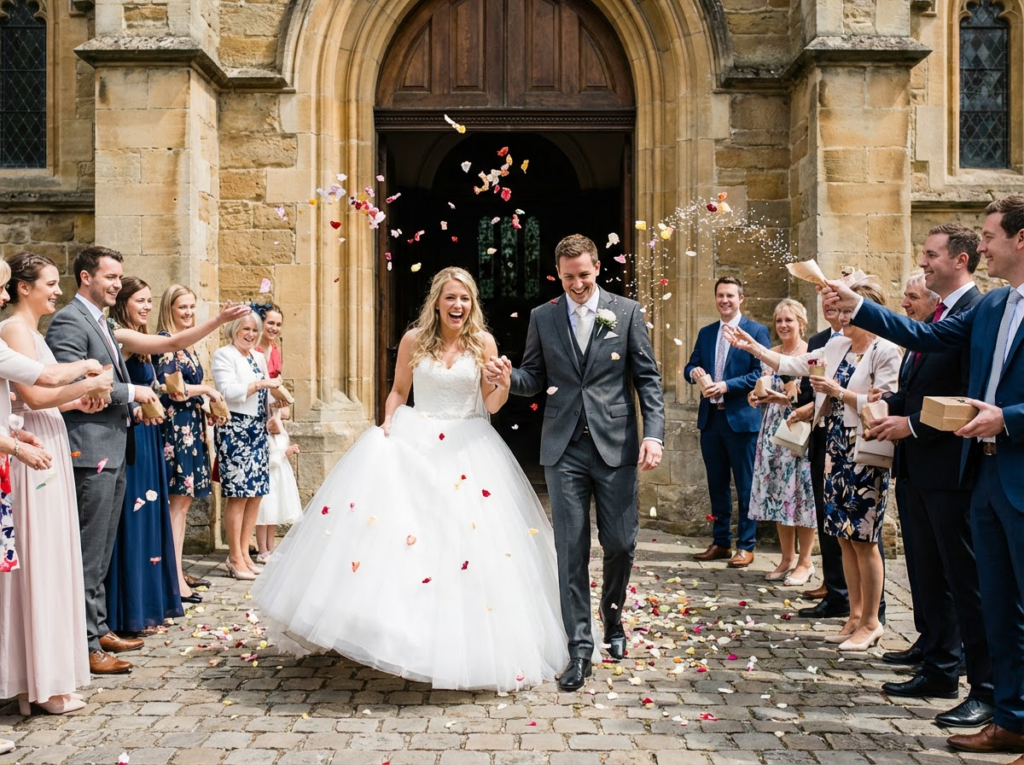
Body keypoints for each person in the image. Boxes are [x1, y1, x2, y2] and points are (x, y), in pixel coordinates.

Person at [254, 267, 569, 692]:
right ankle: (396, 636)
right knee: (404, 541)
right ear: (437, 301)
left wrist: (501, 381)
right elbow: (400, 390)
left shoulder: (484, 343)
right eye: (451, 297)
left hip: (469, 448)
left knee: (467, 547)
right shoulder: (414, 341)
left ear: (472, 304)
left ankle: (458, 646)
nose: (458, 305)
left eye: (465, 299)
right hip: (416, 441)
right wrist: (387, 423)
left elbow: (492, 405)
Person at [822, 195, 1024, 758]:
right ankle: (1006, 714)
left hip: (1008, 471)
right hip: (982, 475)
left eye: (988, 237)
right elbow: (928, 339)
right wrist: (857, 306)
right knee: (997, 601)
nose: (981, 247)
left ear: (1021, 239)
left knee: (1007, 602)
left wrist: (1008, 418)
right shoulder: (993, 307)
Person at [45, 247, 249, 674]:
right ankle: (84, 644)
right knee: (88, 550)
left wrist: (217, 321)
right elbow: (65, 385)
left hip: (117, 444)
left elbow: (170, 343)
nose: (117, 284)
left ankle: (98, 627)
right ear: (86, 278)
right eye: (110, 277)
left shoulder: (106, 325)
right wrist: (130, 393)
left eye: (120, 277)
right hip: (91, 449)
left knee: (100, 551)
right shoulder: (70, 320)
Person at [484, 234, 665, 691]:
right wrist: (509, 377)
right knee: (571, 551)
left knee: (621, 543)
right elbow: (533, 377)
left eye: (584, 275)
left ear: (597, 268)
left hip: (617, 444)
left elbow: (648, 380)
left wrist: (655, 436)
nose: (577, 284)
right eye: (568, 277)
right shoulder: (543, 317)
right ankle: (579, 649)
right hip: (563, 448)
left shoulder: (626, 313)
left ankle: (614, 617)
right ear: (558, 275)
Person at [727, 279, 901, 651]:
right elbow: (793, 363)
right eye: (837, 312)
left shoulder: (886, 350)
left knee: (864, 539)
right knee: (843, 536)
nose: (838, 318)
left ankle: (872, 622)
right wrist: (754, 346)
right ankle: (853, 616)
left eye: (846, 312)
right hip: (834, 448)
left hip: (864, 449)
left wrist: (843, 394)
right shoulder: (837, 344)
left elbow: (886, 404)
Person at [869, 226, 992, 729]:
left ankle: (951, 666)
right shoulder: (941, 312)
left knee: (958, 575)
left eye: (930, 254)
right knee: (925, 566)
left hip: (948, 466)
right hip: (918, 465)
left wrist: (912, 425)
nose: (922, 262)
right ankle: (934, 652)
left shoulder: (973, 311)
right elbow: (921, 384)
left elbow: (963, 394)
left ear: (960, 260)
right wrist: (892, 408)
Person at [0, 255, 113, 715]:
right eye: (49, 283)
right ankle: (38, 682)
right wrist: (88, 371)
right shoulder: (13, 330)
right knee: (40, 562)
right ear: (24, 288)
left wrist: (78, 397)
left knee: (54, 559)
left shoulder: (34, 334)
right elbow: (37, 389)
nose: (56, 290)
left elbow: (43, 397)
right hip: (28, 449)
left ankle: (46, 678)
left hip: (42, 435)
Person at [685, 277, 770, 568]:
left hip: (741, 420)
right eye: (720, 295)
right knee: (717, 484)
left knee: (746, 485)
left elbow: (760, 374)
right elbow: (690, 364)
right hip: (711, 420)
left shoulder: (756, 331)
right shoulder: (707, 333)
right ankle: (721, 542)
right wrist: (694, 372)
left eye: (730, 296)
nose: (725, 300)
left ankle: (746, 546)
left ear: (741, 298)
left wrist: (725, 386)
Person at [154, 284, 223, 602]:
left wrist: (205, 408)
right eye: (183, 307)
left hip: (191, 426)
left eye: (192, 307)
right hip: (175, 431)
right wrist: (206, 391)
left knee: (181, 504)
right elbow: (172, 389)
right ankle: (172, 579)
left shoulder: (188, 345)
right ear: (169, 308)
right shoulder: (167, 343)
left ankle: (177, 570)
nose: (189, 312)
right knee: (177, 505)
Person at [747, 299, 815, 585]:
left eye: (789, 320)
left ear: (801, 322)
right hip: (772, 431)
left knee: (800, 495)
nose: (783, 325)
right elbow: (762, 389)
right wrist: (754, 397)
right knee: (777, 494)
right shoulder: (770, 355)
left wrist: (783, 398)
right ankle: (786, 557)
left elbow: (810, 398)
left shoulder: (810, 354)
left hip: (798, 429)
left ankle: (805, 561)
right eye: (779, 321)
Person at [212, 312, 279, 581]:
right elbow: (228, 392)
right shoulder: (223, 355)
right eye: (245, 329)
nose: (250, 334)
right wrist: (263, 382)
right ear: (234, 329)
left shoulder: (258, 357)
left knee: (256, 493)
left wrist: (274, 414)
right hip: (235, 427)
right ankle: (234, 557)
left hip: (257, 428)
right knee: (238, 494)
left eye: (254, 330)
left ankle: (244, 554)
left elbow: (265, 397)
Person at [254, 304, 300, 561]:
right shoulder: (254, 350)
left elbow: (277, 388)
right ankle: (257, 546)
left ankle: (267, 547)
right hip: (256, 415)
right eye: (270, 323)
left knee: (273, 487)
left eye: (278, 324)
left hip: (272, 418)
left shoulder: (276, 352)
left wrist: (279, 411)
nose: (273, 328)